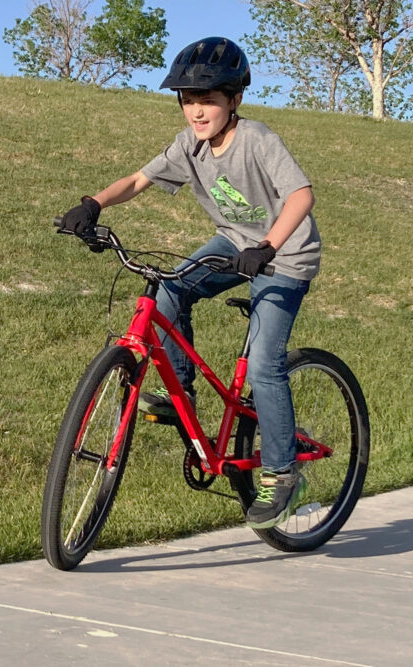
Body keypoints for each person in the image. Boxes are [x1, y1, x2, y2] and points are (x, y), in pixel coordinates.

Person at [58, 37, 321, 530]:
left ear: (234, 101)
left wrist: (266, 248)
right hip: (232, 244)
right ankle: (185, 400)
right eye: (188, 100)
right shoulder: (189, 146)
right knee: (167, 291)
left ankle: (281, 472)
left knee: (265, 364)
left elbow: (301, 196)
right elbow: (138, 180)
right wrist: (93, 203)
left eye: (208, 101)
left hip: (284, 256)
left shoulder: (257, 139)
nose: (197, 111)